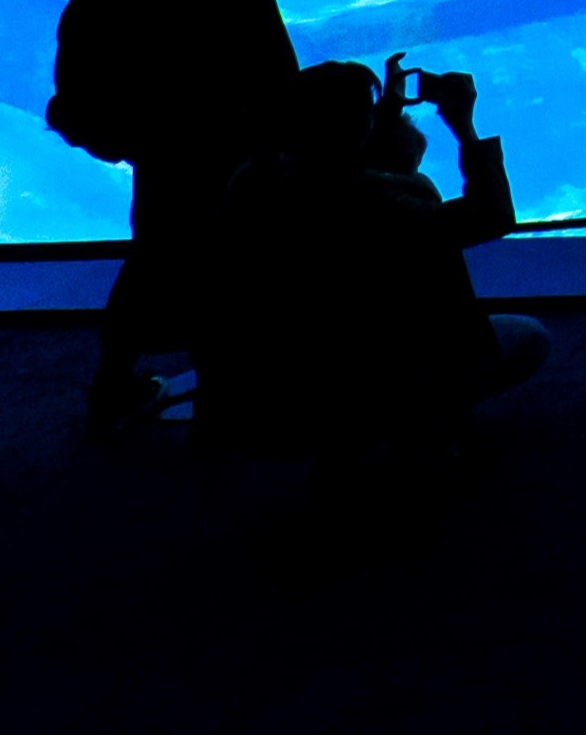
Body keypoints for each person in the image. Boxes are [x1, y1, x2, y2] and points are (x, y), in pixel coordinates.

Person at [65, 0, 357, 424]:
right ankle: (243, 392)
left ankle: (112, 387)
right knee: (249, 242)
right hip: (243, 108)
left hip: (163, 109)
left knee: (157, 250)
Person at [204, 54, 545, 458]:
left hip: (275, 370)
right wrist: (464, 128)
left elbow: (337, 169)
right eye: (362, 116)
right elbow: (490, 215)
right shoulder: (380, 204)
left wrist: (381, 117)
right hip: (368, 374)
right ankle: (416, 426)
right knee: (528, 338)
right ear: (349, 129)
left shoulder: (254, 181)